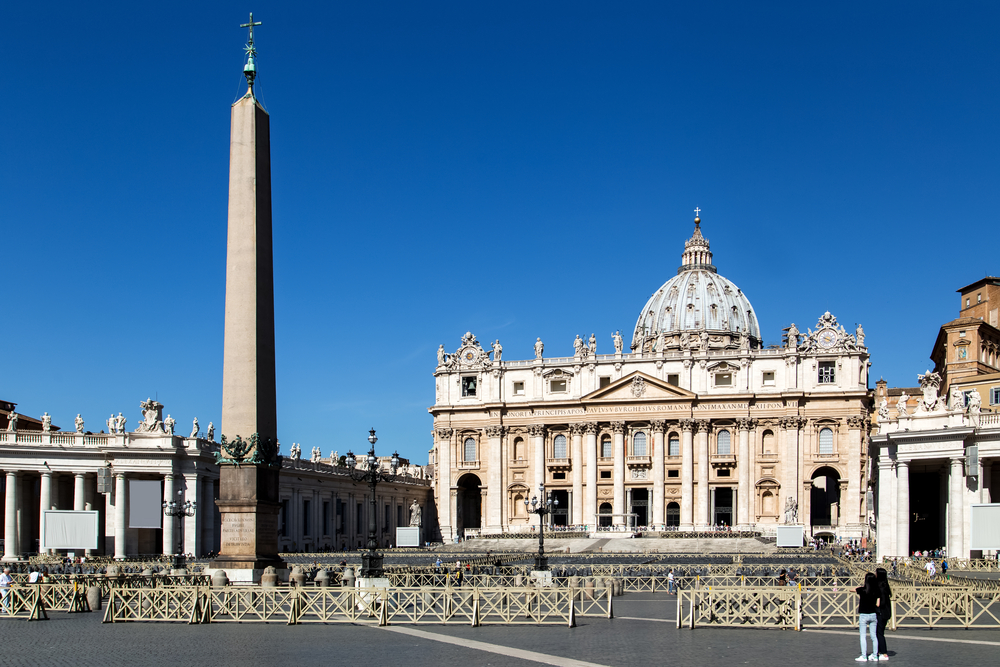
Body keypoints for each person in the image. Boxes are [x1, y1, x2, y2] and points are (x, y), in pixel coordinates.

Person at [855, 572, 881, 662]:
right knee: (874, 636)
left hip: (863, 615)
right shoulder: (877, 591)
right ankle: (875, 655)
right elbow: (878, 604)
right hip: (873, 614)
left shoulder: (862, 590)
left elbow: (852, 589)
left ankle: (864, 656)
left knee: (863, 636)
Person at [875, 567, 892, 661]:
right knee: (880, 632)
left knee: (879, 633)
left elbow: (879, 603)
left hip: (881, 612)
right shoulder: (885, 586)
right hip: (886, 612)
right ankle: (878, 651)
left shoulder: (880, 587)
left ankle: (883, 652)